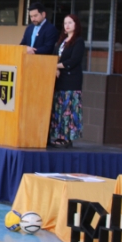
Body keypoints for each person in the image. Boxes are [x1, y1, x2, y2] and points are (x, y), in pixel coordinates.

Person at [49, 14, 85, 148]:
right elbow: (54, 56)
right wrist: (55, 67)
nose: (67, 25)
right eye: (65, 23)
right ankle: (58, 135)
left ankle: (67, 138)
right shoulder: (61, 41)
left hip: (71, 81)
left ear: (76, 25)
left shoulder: (78, 41)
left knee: (68, 109)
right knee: (59, 108)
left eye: (70, 22)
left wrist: (57, 66)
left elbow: (74, 60)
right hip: (59, 80)